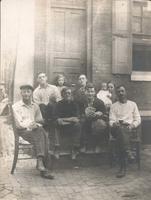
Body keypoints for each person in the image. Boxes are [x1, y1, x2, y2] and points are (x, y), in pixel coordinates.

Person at [12, 85, 54, 179]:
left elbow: (40, 120)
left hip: (35, 131)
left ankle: (41, 164)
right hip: (23, 132)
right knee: (43, 135)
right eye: (24, 92)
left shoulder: (35, 106)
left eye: (28, 92)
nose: (26, 94)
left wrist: (36, 124)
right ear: (21, 93)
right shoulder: (16, 106)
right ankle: (43, 165)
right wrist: (32, 124)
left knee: (40, 132)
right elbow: (19, 124)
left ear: (31, 93)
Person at [109, 85, 141, 178]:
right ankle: (128, 151)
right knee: (120, 130)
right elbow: (111, 120)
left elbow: (138, 119)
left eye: (122, 91)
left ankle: (122, 168)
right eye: (118, 92)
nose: (121, 93)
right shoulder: (114, 106)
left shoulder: (133, 104)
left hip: (129, 129)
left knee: (122, 135)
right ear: (117, 94)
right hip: (117, 129)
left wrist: (132, 125)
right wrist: (114, 123)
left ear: (126, 92)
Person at [81, 83, 108, 153]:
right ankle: (83, 145)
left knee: (101, 124)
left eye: (92, 91)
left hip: (95, 121)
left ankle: (98, 144)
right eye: (88, 91)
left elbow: (104, 113)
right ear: (85, 92)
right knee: (80, 122)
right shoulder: (81, 102)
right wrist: (84, 114)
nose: (90, 94)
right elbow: (78, 112)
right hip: (85, 120)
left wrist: (99, 113)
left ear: (95, 92)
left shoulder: (99, 102)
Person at [55, 87, 81, 159]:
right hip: (61, 125)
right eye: (65, 93)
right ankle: (57, 148)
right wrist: (70, 119)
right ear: (62, 95)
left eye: (69, 93)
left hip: (71, 125)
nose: (67, 95)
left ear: (71, 94)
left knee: (78, 125)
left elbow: (76, 118)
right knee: (56, 123)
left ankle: (74, 149)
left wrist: (64, 119)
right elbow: (57, 118)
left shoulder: (74, 104)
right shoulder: (58, 104)